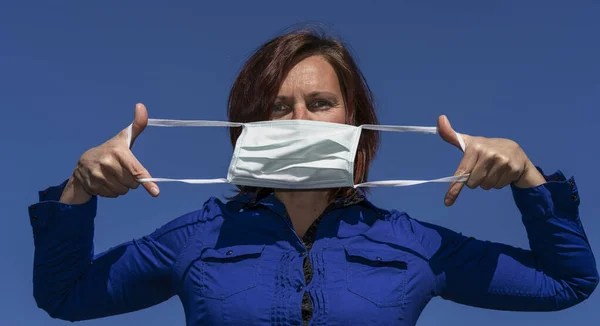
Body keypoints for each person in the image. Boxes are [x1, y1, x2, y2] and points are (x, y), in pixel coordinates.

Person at [28, 28, 598, 326]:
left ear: (355, 119)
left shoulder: (412, 243)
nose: (300, 121)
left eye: (320, 102)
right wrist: (78, 191)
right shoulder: (197, 237)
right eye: (278, 107)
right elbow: (64, 294)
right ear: (247, 124)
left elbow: (567, 282)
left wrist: (529, 179)